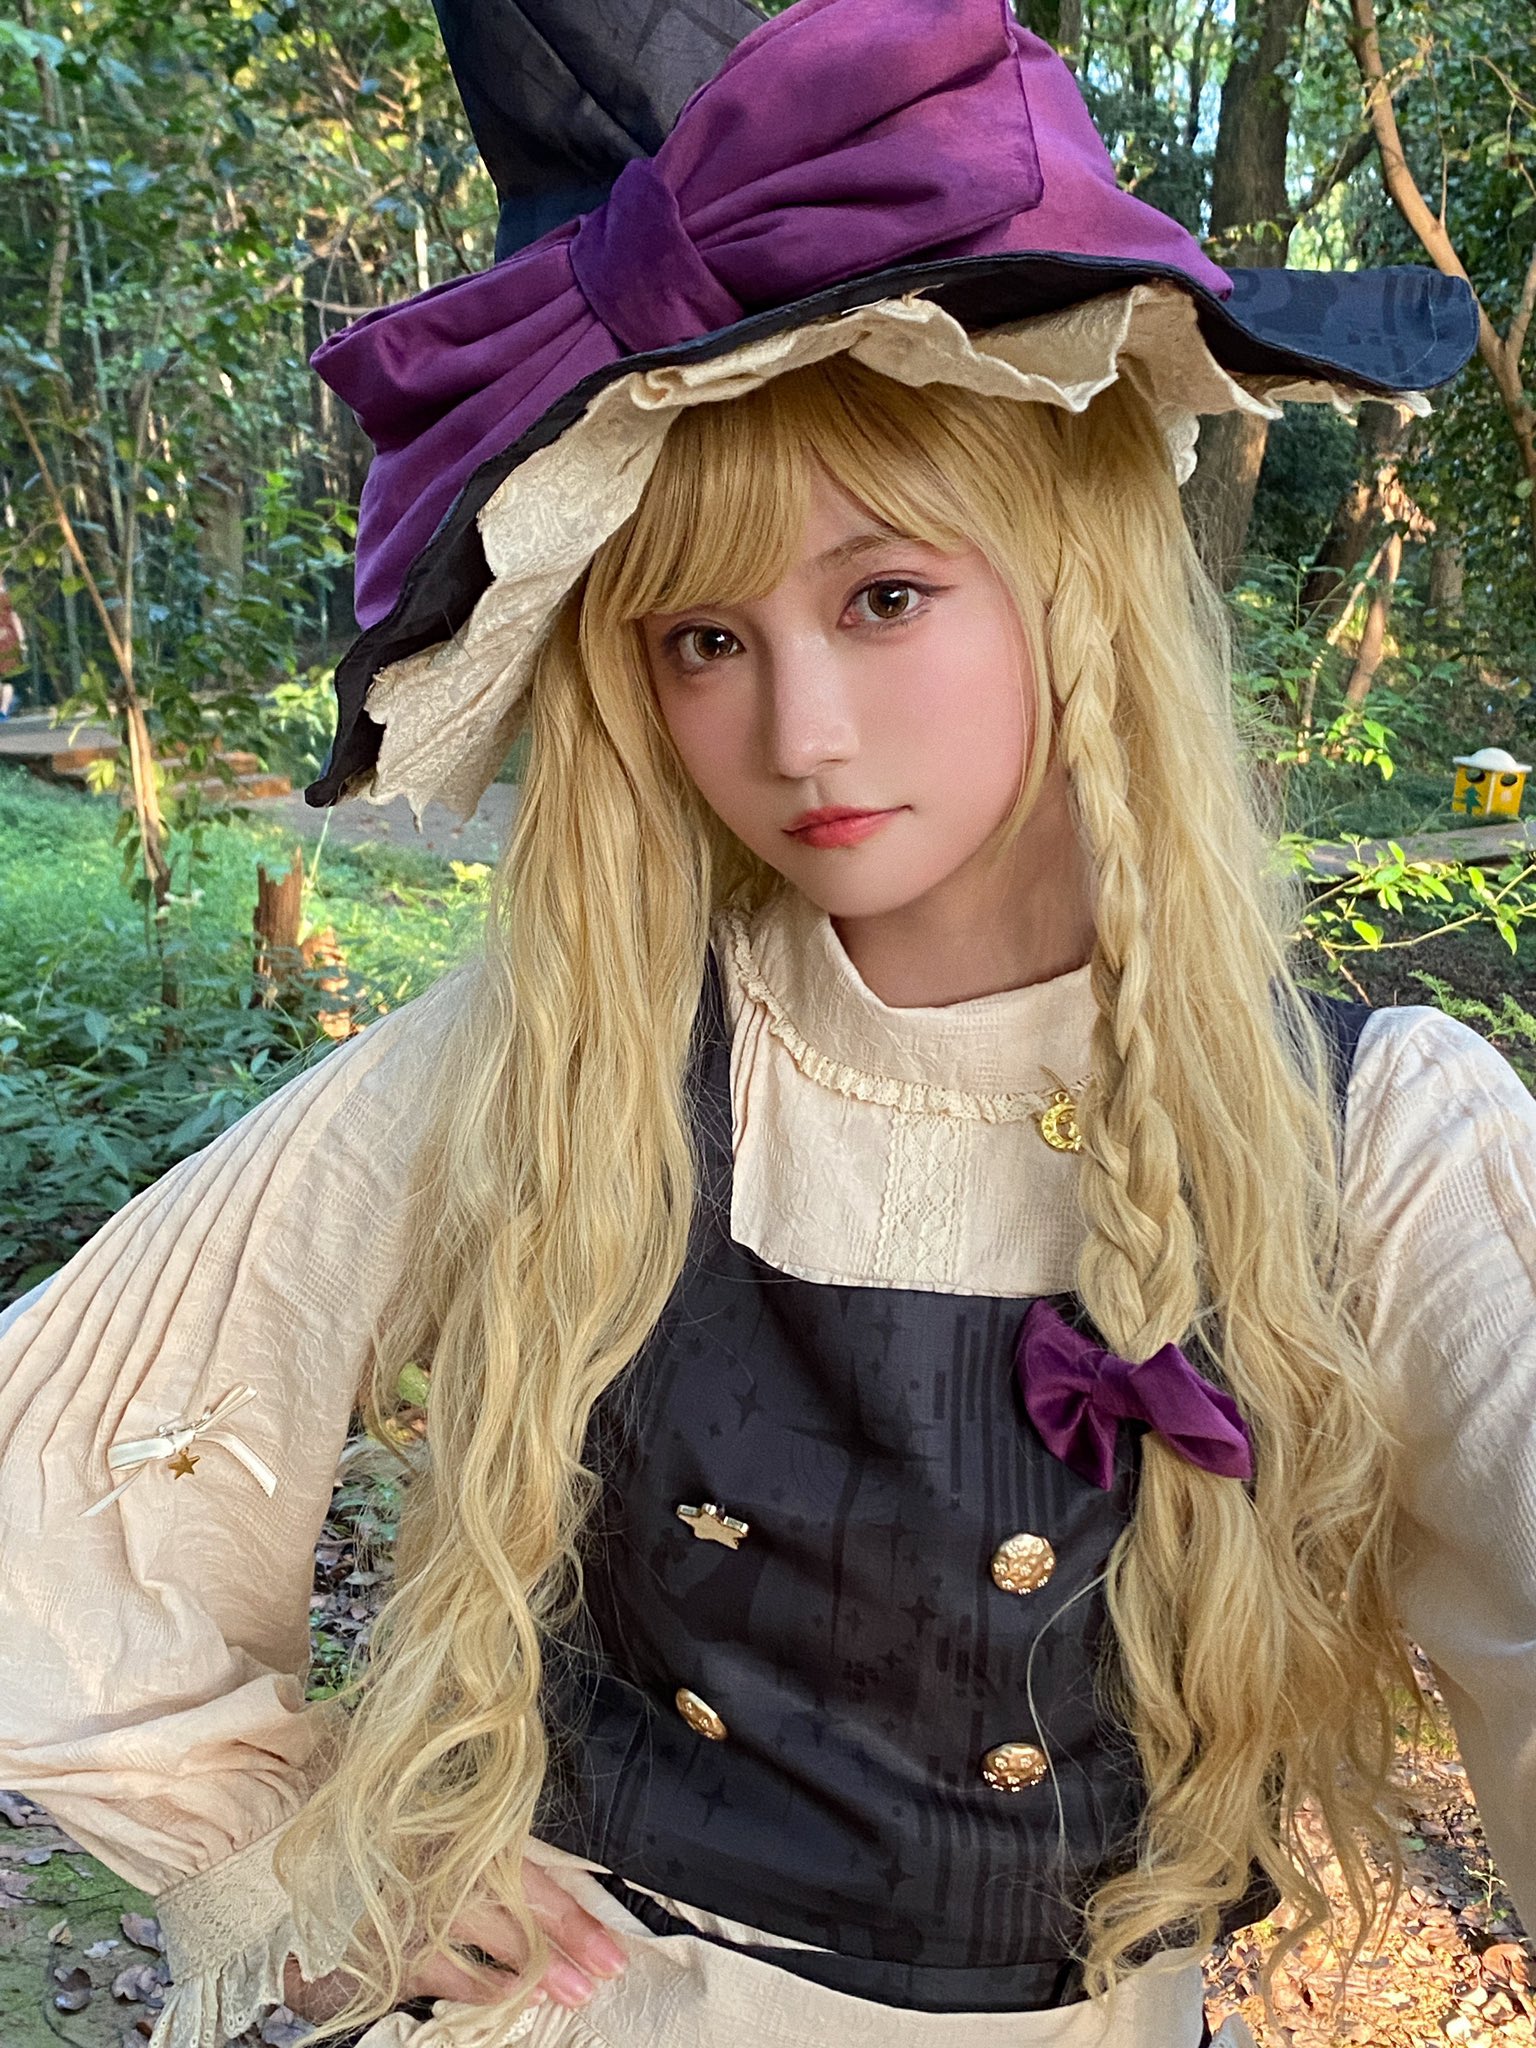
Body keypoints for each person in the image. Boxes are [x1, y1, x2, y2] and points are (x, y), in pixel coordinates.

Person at [1, 4, 1529, 2048]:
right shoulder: (572, 1049)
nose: (798, 732)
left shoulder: (1381, 1131)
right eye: (705, 638)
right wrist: (292, 1856)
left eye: (886, 596)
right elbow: (54, 1451)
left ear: (1070, 576)